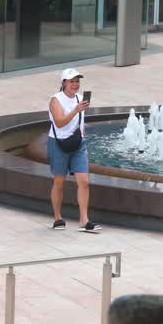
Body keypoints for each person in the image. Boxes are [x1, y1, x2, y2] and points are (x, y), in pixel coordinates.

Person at [48, 68, 100, 233]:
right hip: (58, 143)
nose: (75, 85)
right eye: (72, 81)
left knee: (84, 181)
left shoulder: (79, 99)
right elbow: (60, 122)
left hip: (78, 143)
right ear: (64, 83)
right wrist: (76, 110)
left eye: (77, 81)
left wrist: (83, 132)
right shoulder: (55, 100)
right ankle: (57, 218)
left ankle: (84, 220)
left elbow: (79, 121)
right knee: (59, 182)